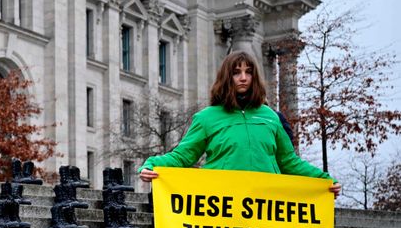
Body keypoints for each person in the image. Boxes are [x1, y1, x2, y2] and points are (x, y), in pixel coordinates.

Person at [139, 51, 341, 198]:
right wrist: (152, 165)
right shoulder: (207, 118)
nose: (243, 78)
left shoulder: (271, 117)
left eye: (248, 72)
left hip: (266, 202)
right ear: (227, 77)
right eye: (236, 72)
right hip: (221, 202)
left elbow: (289, 162)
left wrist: (323, 180)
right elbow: (183, 156)